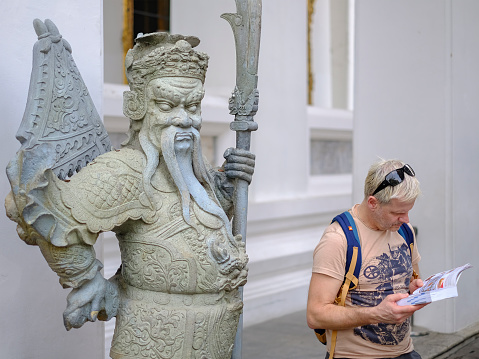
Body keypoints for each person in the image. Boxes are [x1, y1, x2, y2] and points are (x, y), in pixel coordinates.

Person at [6, 28, 255, 359]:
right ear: (139, 105)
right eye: (168, 105)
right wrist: (88, 281)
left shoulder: (197, 173)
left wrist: (227, 184)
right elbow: (52, 213)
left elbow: (200, 220)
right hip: (154, 343)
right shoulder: (124, 172)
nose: (185, 120)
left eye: (193, 107)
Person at [307, 159, 427, 359]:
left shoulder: (405, 232)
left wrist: (416, 289)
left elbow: (411, 282)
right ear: (373, 203)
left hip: (406, 353)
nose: (406, 219)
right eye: (398, 212)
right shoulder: (338, 239)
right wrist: (376, 313)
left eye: (408, 211)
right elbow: (315, 315)